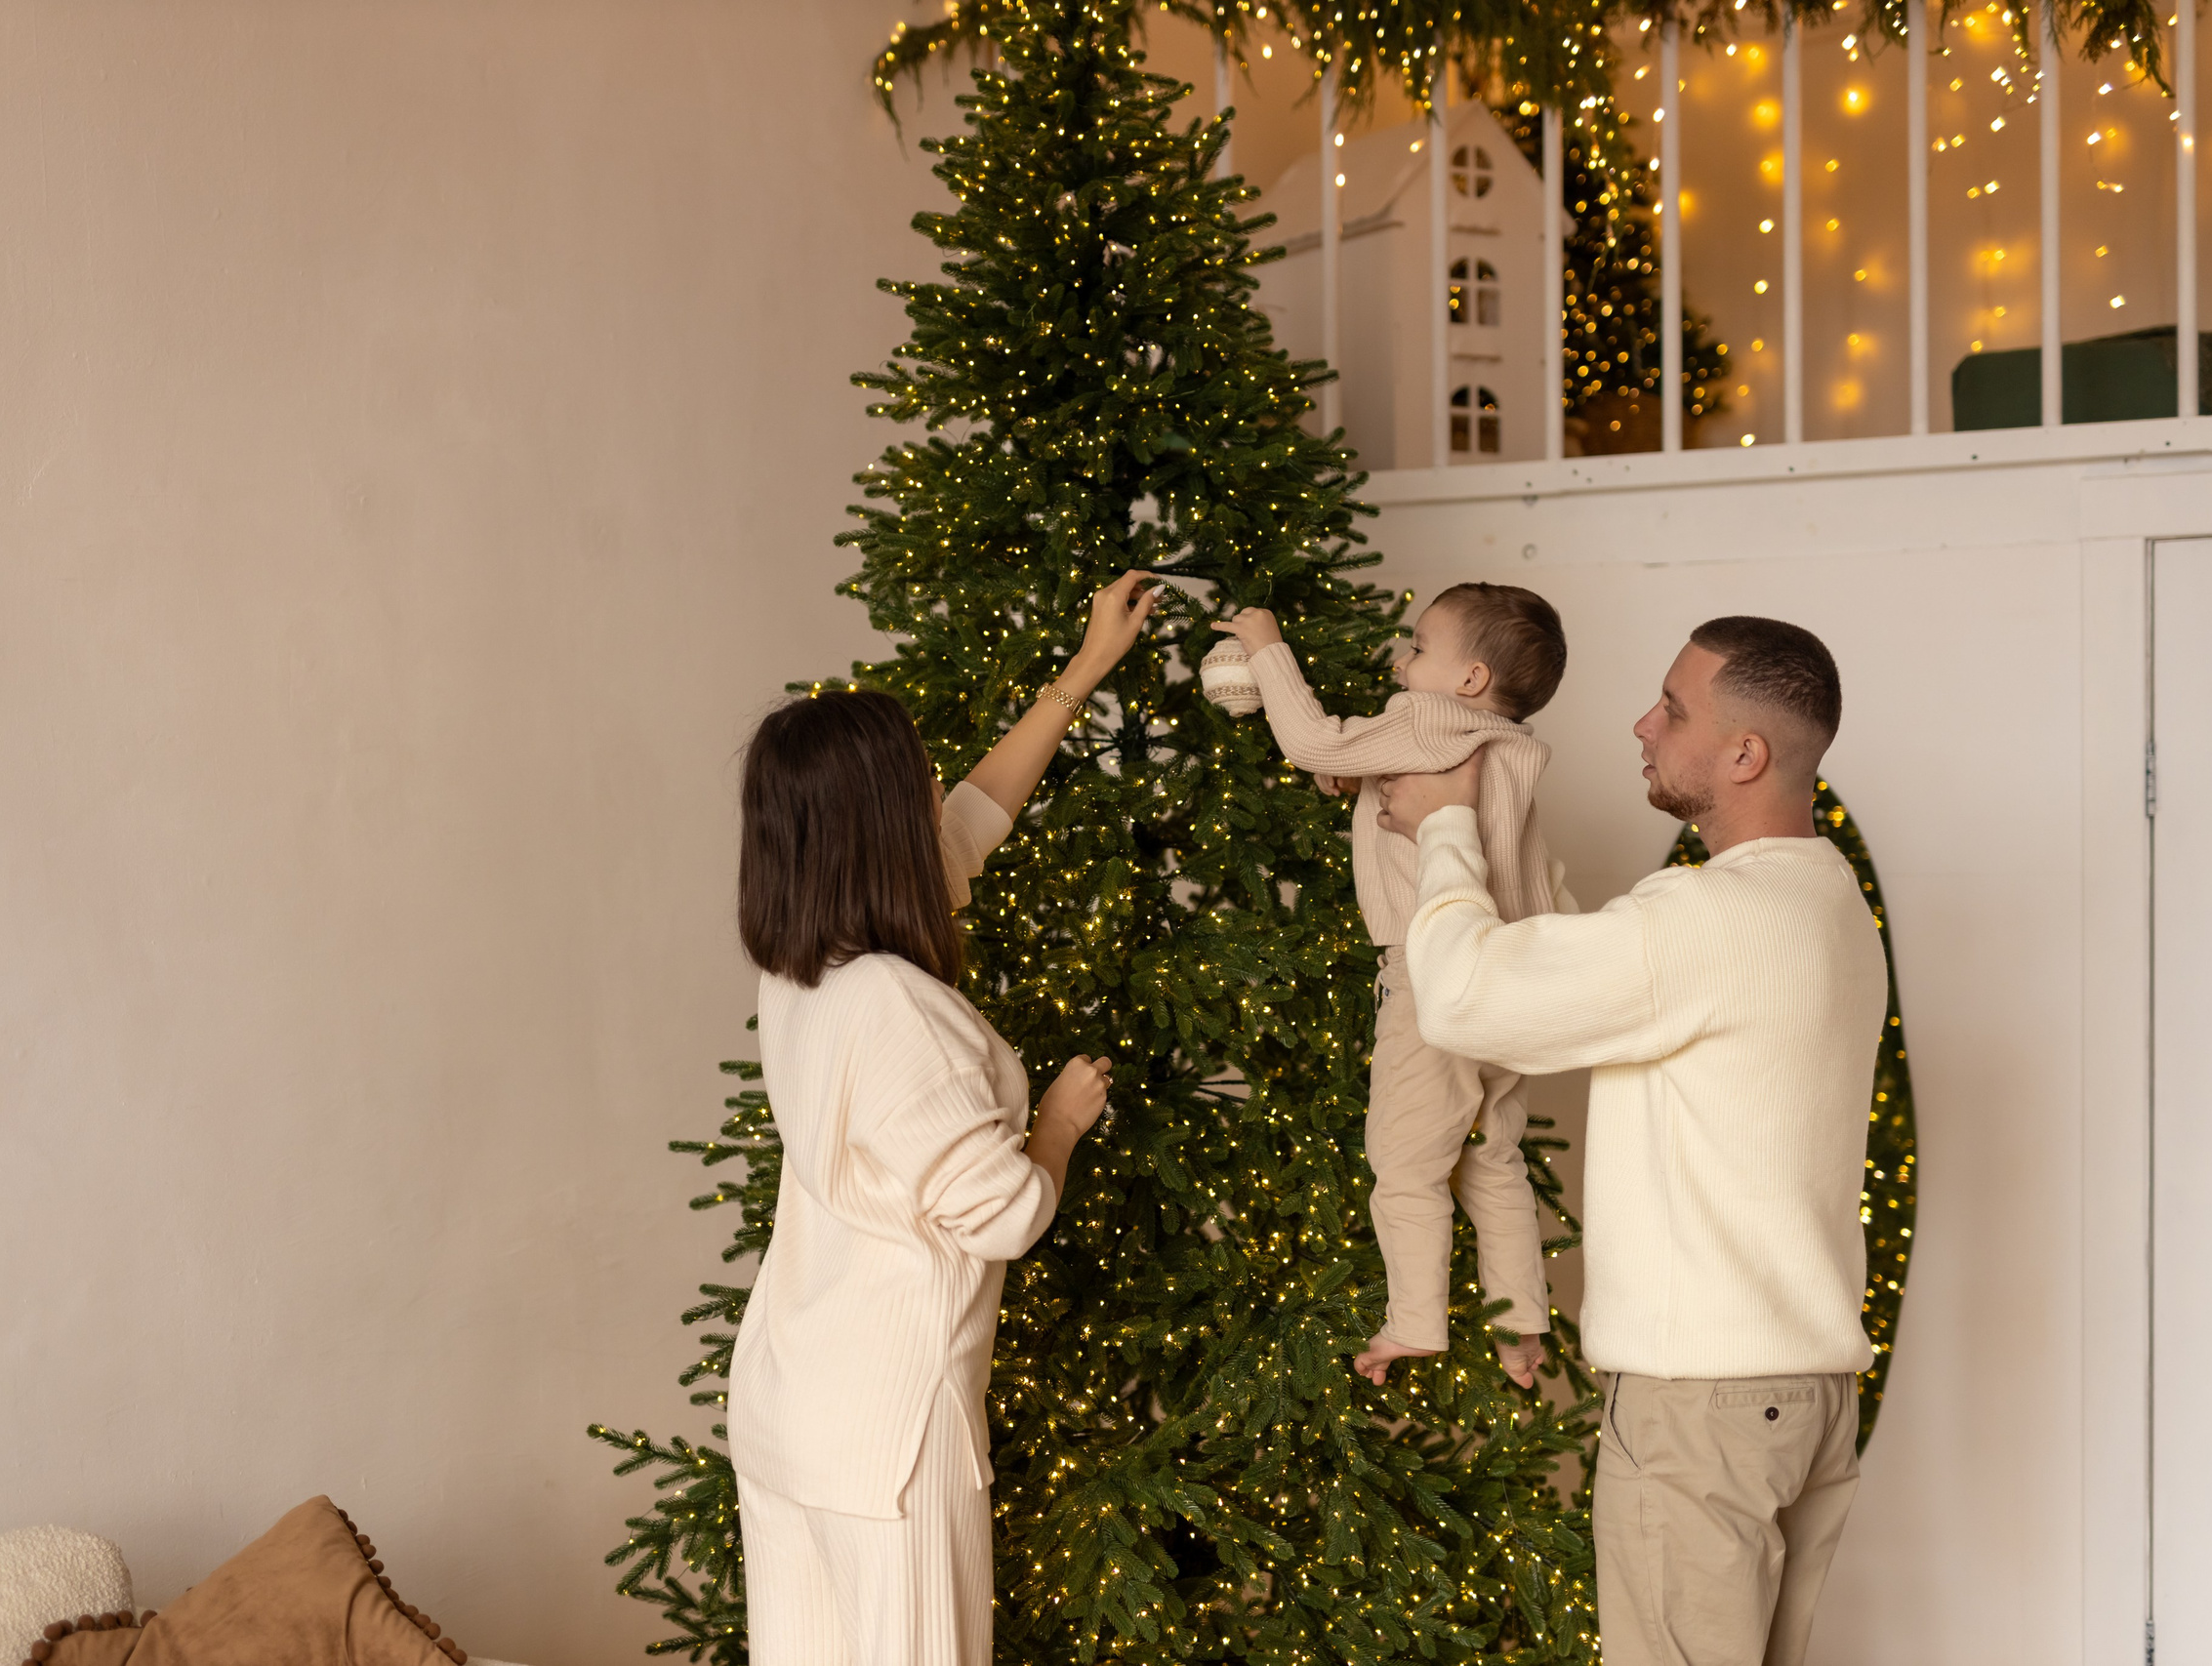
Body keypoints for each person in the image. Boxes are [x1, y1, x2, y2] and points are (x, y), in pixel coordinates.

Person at [1376, 617, 1886, 1666]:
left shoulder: (1707, 920)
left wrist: (1445, 827)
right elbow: (1598, 967)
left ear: (1744, 755)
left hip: (1699, 1407)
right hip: (1804, 1398)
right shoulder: (1827, 898)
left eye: (1673, 707)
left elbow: (1466, 997)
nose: (1641, 723)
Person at [725, 570, 1161, 1666]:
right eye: (917, 784)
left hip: (791, 1413)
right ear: (880, 831)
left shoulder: (799, 968)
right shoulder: (896, 1010)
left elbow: (976, 816)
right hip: (887, 1447)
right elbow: (1004, 1214)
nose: (938, 793)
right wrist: (1057, 1122)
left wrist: (1086, 667)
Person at [1217, 586, 1575, 1389]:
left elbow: (1314, 741)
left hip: (1438, 973)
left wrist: (1268, 645)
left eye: (1418, 647)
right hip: (1515, 977)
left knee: (1406, 1161)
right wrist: (1357, 782)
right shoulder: (1504, 745)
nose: (1400, 660)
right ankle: (1520, 1320)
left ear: (1471, 677)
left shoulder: (1423, 719)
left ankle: (1416, 1319)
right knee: (1492, 1155)